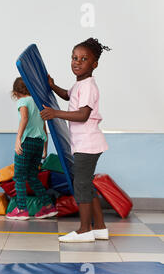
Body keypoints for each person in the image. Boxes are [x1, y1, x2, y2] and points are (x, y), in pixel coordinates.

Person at [40, 38, 111, 243]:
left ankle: (84, 230)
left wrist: (55, 114)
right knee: (86, 185)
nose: (77, 62)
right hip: (85, 144)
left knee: (80, 185)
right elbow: (67, 95)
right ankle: (99, 227)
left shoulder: (88, 86)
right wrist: (53, 86)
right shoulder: (80, 84)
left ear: (94, 64)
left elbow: (83, 115)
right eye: (74, 58)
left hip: (88, 144)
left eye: (83, 59)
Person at [6, 77, 57, 221]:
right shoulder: (38, 102)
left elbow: (24, 118)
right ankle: (48, 206)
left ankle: (21, 209)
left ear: (16, 92)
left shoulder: (23, 101)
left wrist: (18, 139)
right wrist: (45, 148)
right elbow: (43, 126)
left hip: (26, 142)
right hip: (39, 143)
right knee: (32, 176)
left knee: (19, 177)